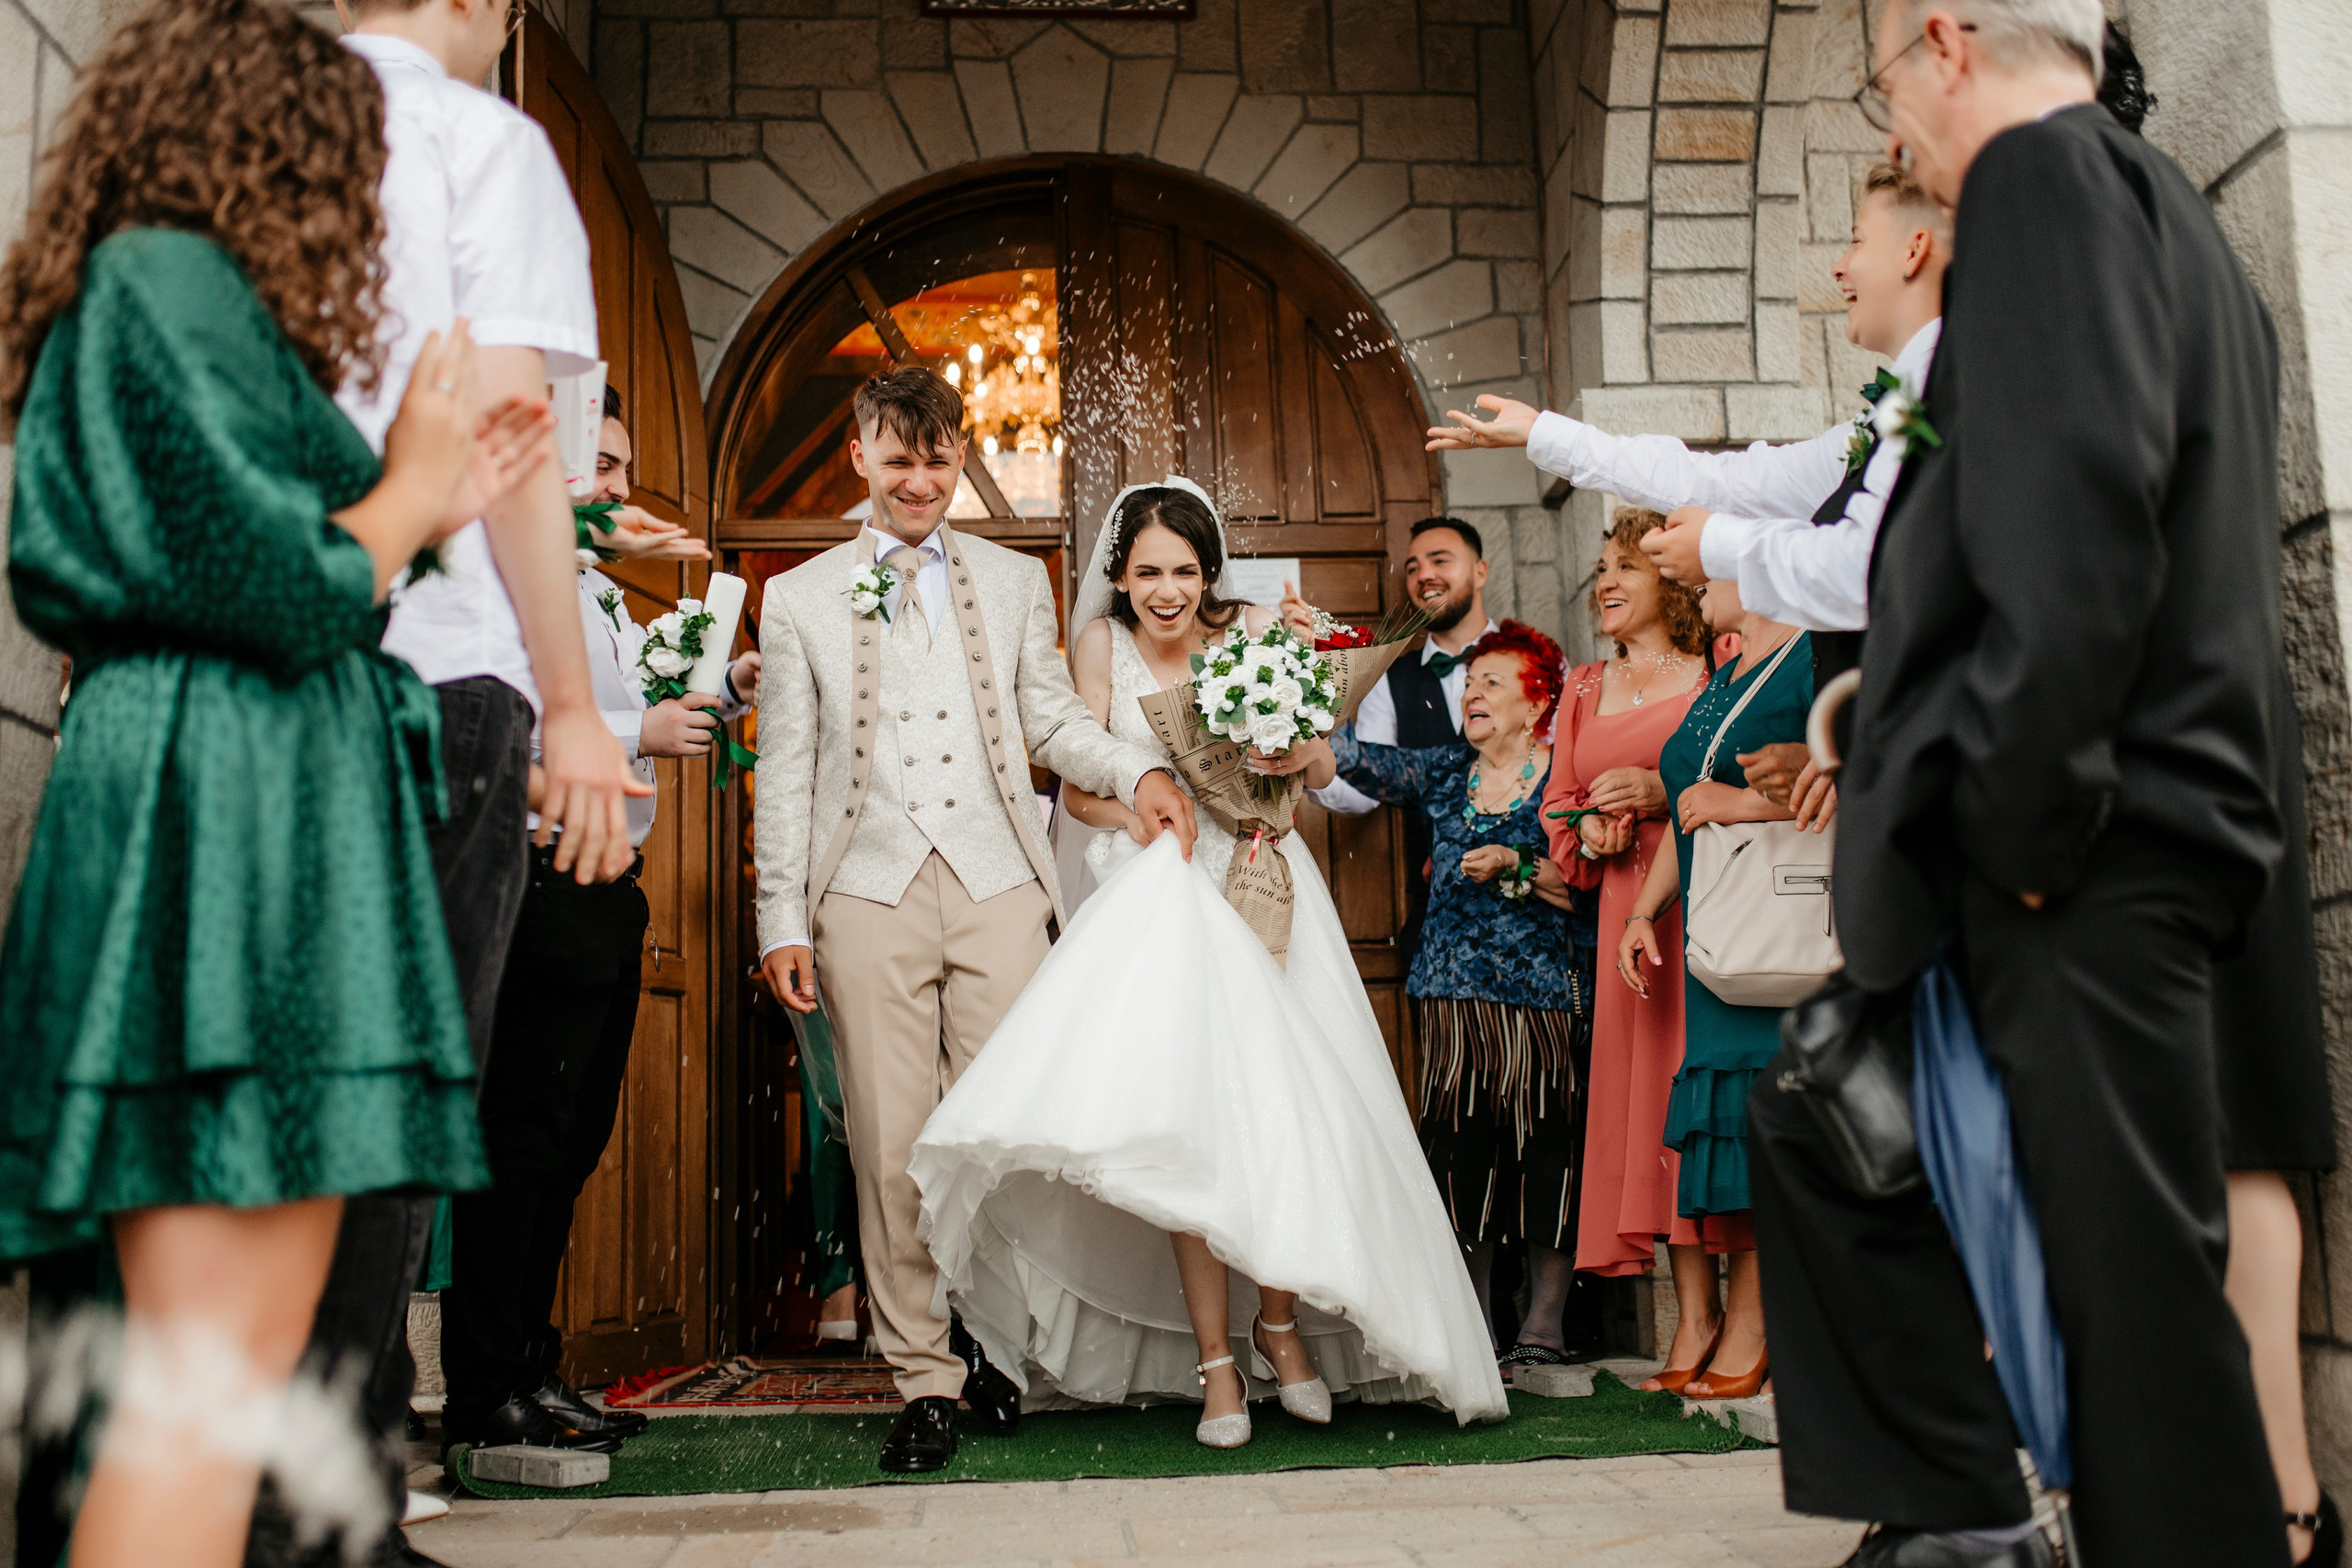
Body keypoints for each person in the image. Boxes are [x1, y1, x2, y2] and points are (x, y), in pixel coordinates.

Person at [1747, 1, 2298, 1563]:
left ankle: (1998, 1518)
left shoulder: (2049, 186)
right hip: (2096, 837)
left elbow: (2078, 524)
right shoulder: (2154, 209)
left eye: (1885, 91)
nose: (1897, 134)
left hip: (2083, 851)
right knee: (1828, 1128)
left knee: (2133, 1318)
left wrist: (2021, 822)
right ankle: (1959, 1515)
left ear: (1944, 38)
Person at [0, 0, 548, 1561]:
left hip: (256, 805)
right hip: (220, 823)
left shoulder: (183, 297)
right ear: (273, 143)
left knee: (216, 1374)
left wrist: (426, 492)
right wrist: (410, 499)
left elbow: (290, 559)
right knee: (202, 1384)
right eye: (350, 167)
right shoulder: (163, 278)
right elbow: (259, 579)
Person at [910, 480, 1510, 1450]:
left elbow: (1321, 770)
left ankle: (1279, 1326)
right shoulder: (1099, 648)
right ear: (1120, 575)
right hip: (1162, 893)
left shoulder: (1255, 638)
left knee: (1276, 1112)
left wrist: (1292, 756)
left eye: (1183, 572)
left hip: (1266, 883)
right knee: (1183, 1127)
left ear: (1208, 573)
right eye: (1147, 572)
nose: (1166, 591)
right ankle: (1216, 1364)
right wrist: (1143, 815)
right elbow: (1078, 789)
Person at [293, 0, 651, 1555]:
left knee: (281, 1079)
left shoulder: (256, 117)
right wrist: (575, 705)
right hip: (435, 673)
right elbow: (510, 429)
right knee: (392, 1097)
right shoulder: (477, 140)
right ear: (494, 8)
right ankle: (330, 1497)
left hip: (272, 636)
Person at [752, 369, 1200, 1474]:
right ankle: (925, 1377)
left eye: (939, 458)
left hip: (1001, 880)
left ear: (961, 457)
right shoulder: (801, 595)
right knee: (894, 1144)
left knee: (1007, 1127)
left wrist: (1136, 770)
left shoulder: (1011, 583)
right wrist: (777, 919)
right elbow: (788, 773)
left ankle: (998, 1335)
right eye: (899, 460)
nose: (920, 480)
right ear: (860, 457)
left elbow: (1050, 717)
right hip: (863, 890)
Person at [438, 386, 755, 1453]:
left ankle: (533, 1365)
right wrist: (641, 726)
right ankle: (486, 1392)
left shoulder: (597, 595)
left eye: (619, 465)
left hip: (604, 893)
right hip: (531, 883)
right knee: (516, 1147)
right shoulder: (495, 581)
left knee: (570, 1147)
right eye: (603, 462)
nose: (620, 485)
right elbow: (491, 730)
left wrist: (714, 693)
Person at [1311, 622, 1596, 1381]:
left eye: (1492, 683)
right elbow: (1353, 761)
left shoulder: (1565, 781)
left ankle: (1544, 1322)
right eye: (1469, 684)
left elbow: (1589, 888)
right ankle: (1472, 1318)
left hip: (1540, 998)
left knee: (1546, 1151)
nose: (1472, 694)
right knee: (1461, 1152)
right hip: (1448, 998)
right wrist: (1304, 688)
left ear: (1539, 703)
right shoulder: (1444, 771)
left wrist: (1513, 863)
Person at [1614, 580, 1810, 1404]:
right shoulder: (1728, 671)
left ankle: (1756, 1326)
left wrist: (1749, 801)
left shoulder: (1816, 655)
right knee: (1726, 1124)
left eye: (1711, 565)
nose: (1695, 584)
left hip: (1783, 933)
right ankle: (1726, 1322)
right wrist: (1644, 909)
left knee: (1762, 1119)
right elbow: (1692, 806)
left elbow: (1867, 772)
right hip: (1715, 933)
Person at [1535, 510, 1717, 1386]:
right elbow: (1558, 800)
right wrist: (1589, 834)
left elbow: (1725, 765)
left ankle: (1744, 1312)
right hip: (1624, 918)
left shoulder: (1715, 667)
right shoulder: (1579, 686)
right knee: (1650, 1105)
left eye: (1625, 569)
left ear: (1672, 583)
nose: (1604, 582)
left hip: (1708, 902)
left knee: (1708, 1087)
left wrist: (1659, 787)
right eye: (1600, 570)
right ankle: (1695, 1318)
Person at [1301, 518, 1499, 944]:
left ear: (1480, 571)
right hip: (1435, 910)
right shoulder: (1389, 679)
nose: (1423, 574)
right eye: (1412, 567)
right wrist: (1303, 760)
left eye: (1439, 560)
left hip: (1531, 899)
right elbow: (1363, 788)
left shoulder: (1538, 660)